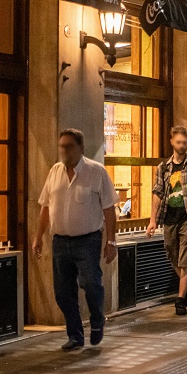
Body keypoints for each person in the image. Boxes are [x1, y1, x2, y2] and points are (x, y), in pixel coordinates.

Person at [32, 129, 120, 351]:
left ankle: (97, 320)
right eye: (62, 146)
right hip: (60, 241)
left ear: (81, 148)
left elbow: (109, 209)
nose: (64, 151)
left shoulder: (96, 172)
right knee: (63, 293)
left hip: (88, 240)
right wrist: (38, 237)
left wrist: (111, 242)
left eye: (69, 146)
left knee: (91, 283)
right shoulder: (55, 171)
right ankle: (75, 335)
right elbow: (45, 206)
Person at [146, 126, 187, 316]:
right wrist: (152, 220)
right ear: (172, 142)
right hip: (169, 218)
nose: (182, 145)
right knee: (172, 254)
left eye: (185, 142)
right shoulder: (163, 167)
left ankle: (180, 299)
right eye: (178, 142)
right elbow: (157, 193)